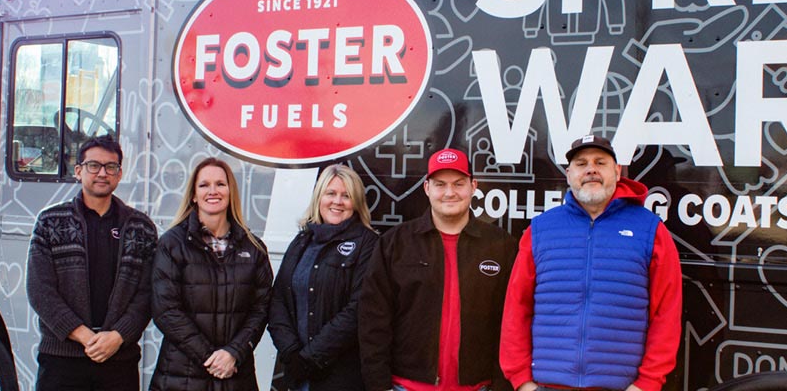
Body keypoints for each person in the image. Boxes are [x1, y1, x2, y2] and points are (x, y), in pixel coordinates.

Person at [500, 135, 682, 391]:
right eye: (581, 163)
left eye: (600, 162)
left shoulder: (650, 230)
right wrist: (522, 381)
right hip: (547, 385)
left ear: (617, 172)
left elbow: (667, 312)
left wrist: (647, 383)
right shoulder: (541, 229)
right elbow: (517, 307)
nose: (591, 169)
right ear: (568, 174)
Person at [359, 148, 518, 391]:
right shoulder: (395, 244)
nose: (449, 193)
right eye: (440, 184)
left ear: (473, 186)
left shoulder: (500, 245)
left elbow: (512, 322)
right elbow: (373, 321)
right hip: (407, 386)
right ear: (427, 188)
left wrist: (501, 385)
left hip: (479, 387)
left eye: (458, 184)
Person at [27, 135, 158, 390]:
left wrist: (118, 336)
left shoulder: (141, 227)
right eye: (93, 165)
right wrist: (85, 336)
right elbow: (40, 291)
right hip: (62, 360)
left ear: (119, 174)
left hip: (119, 358)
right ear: (78, 171)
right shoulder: (50, 221)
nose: (102, 173)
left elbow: (148, 294)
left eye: (111, 167)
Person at [150, 157, 273, 390]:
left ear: (230, 192)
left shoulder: (253, 248)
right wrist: (211, 358)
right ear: (194, 195)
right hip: (181, 375)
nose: (213, 191)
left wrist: (234, 352)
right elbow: (165, 310)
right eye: (204, 185)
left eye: (220, 184)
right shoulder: (172, 244)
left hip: (236, 375)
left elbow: (261, 308)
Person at [268, 164, 379, 390]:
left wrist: (311, 357)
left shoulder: (367, 243)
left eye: (346, 196)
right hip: (297, 374)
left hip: (340, 377)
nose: (337, 201)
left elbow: (359, 308)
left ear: (356, 203)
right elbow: (278, 299)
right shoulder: (301, 241)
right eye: (331, 193)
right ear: (319, 197)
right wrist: (291, 353)